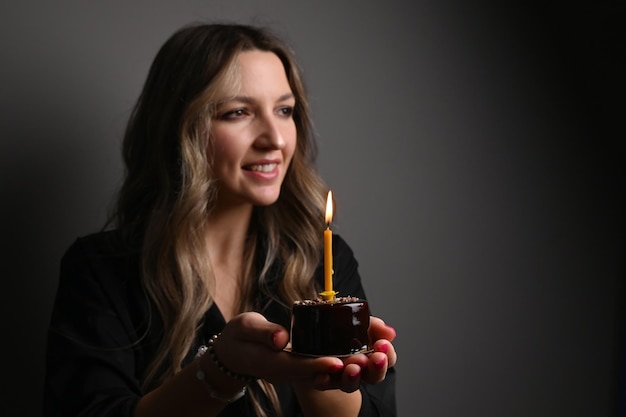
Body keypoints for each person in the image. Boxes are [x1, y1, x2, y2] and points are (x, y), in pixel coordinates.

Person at [43, 22, 397, 417]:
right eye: (238, 112)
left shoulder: (322, 262)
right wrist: (223, 370)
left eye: (284, 110)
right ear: (181, 128)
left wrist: (321, 374)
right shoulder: (101, 270)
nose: (275, 139)